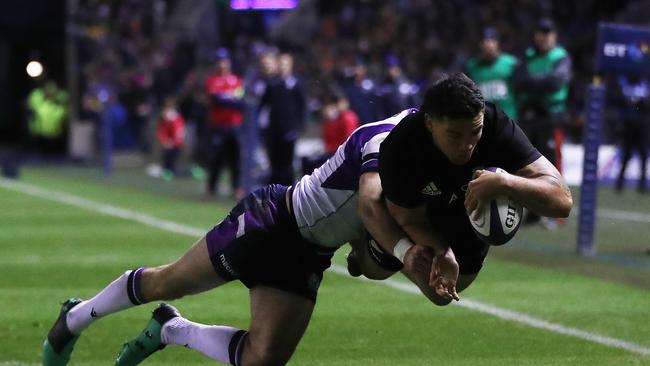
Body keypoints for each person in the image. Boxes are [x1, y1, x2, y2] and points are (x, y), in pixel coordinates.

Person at [41, 109, 440, 366]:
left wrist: (383, 259)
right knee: (168, 281)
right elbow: (368, 208)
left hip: (308, 255)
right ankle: (74, 319)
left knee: (262, 360)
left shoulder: (421, 178)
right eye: (454, 134)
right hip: (272, 220)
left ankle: (170, 329)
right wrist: (404, 253)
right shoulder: (385, 141)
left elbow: (364, 264)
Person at [369, 73, 572, 302]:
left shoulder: (496, 125)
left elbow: (563, 202)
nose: (467, 146)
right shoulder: (402, 146)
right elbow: (407, 217)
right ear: (429, 123)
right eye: (454, 135)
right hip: (421, 211)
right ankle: (368, 241)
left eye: (475, 132)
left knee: (442, 294)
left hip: (468, 210)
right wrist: (439, 249)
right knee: (374, 269)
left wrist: (507, 182)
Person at [514, 18, 572, 226]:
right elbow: (519, 80)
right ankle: (534, 211)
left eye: (548, 33)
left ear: (554, 36)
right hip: (532, 117)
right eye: (541, 32)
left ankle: (557, 212)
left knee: (554, 163)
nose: (544, 37)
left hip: (552, 116)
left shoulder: (560, 57)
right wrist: (542, 83)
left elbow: (556, 82)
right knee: (530, 164)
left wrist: (533, 85)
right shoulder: (528, 56)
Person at [259, 52, 306, 185]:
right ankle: (273, 191)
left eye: (286, 64)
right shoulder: (272, 83)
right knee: (274, 162)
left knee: (288, 163)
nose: (283, 67)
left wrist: (298, 126)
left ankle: (287, 191)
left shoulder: (296, 83)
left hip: (289, 129)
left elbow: (302, 106)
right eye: (281, 64)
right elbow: (264, 105)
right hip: (274, 129)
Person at [205, 48, 246, 198]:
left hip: (234, 125)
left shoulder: (236, 80)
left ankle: (236, 187)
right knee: (216, 158)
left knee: (235, 157)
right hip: (218, 126)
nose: (221, 64)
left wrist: (226, 98)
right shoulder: (212, 80)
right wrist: (230, 98)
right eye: (219, 61)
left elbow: (240, 102)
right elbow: (216, 99)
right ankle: (211, 187)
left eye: (224, 61)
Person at [465, 27, 518, 119]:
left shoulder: (510, 63)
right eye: (484, 41)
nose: (487, 44)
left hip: (508, 118)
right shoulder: (472, 67)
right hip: (484, 121)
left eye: (491, 40)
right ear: (480, 44)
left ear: (497, 43)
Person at [612, 74, 649, 193]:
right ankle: (619, 183)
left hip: (642, 125)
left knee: (643, 155)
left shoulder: (644, 81)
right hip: (629, 125)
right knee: (626, 155)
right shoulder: (624, 81)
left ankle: (642, 184)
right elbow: (618, 99)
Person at [155, 97, 186, 179]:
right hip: (168, 143)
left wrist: (173, 142)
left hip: (175, 144)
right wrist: (164, 141)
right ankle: (167, 172)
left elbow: (178, 132)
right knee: (167, 163)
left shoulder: (175, 118)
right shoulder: (164, 118)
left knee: (173, 164)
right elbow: (161, 131)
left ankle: (187, 173)